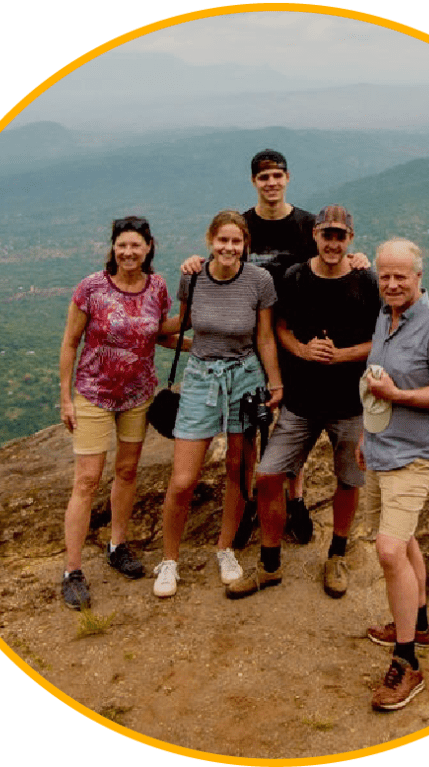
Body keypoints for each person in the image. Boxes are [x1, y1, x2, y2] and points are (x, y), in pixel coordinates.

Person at [181, 149, 370, 545]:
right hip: (250, 336)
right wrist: (196, 262)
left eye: (277, 176)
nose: (271, 183)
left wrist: (356, 258)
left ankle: (295, 498)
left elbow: (329, 256)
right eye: (263, 177)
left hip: (291, 333)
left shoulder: (305, 223)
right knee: (249, 428)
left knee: (288, 422)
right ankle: (251, 499)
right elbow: (224, 253)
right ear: (254, 182)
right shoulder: (243, 225)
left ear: (287, 179)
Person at [225, 205, 380, 600]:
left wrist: (340, 355)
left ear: (351, 240)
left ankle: (337, 554)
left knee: (349, 479)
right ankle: (270, 564)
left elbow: (384, 339)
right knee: (269, 475)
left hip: (349, 403)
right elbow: (280, 327)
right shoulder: (295, 278)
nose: (333, 243)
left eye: (340, 236)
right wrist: (303, 350)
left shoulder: (367, 283)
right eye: (327, 235)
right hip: (301, 400)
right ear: (315, 235)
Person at [356, 238, 429, 712]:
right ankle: (416, 621)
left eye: (402, 275)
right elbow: (376, 381)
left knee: (389, 549)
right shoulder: (386, 316)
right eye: (386, 276)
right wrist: (366, 432)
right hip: (381, 446)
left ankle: (408, 661)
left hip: (414, 454)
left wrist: (399, 396)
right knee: (405, 537)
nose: (393, 284)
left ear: (419, 276)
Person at [153, 210, 283, 598]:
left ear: (245, 245)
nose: (229, 248)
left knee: (237, 470)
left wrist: (274, 383)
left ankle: (225, 548)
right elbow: (185, 323)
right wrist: (139, 327)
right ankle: (169, 559)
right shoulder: (192, 277)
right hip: (201, 378)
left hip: (245, 379)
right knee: (182, 480)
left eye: (236, 242)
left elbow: (264, 337)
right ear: (210, 240)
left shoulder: (259, 281)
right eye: (222, 240)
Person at [59, 215, 184, 610]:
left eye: (136, 246)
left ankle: (117, 544)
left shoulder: (158, 287)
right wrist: (65, 399)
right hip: (94, 394)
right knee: (87, 480)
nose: (128, 252)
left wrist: (202, 344)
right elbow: (70, 343)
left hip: (138, 394)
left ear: (149, 248)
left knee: (127, 471)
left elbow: (158, 334)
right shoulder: (92, 288)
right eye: (122, 245)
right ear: (113, 248)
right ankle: (72, 569)